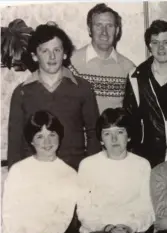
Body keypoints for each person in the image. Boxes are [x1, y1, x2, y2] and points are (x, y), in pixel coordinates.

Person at [76, 108, 155, 233]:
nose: (114, 139)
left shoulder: (142, 165)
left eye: (120, 132)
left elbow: (147, 210)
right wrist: (107, 228)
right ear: (101, 139)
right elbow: (84, 211)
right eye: (107, 133)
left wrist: (128, 227)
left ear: (129, 136)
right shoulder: (88, 165)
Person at [8, 23, 100, 170]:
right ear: (34, 56)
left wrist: (90, 169)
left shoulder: (83, 88)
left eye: (57, 50)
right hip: (33, 172)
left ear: (65, 54)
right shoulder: (21, 92)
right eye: (45, 51)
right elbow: (14, 141)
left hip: (73, 170)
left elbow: (94, 133)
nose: (52, 56)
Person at [2, 110, 79, 233]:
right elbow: (9, 212)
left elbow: (62, 218)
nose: (47, 142)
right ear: (31, 140)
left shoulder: (69, 174)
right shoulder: (18, 170)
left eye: (52, 134)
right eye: (39, 136)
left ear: (60, 136)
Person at [123, 19, 167, 167]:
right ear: (149, 46)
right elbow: (130, 122)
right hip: (146, 159)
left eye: (166, 42)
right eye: (155, 42)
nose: (160, 48)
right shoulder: (136, 76)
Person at [70, 3, 136, 113]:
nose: (104, 32)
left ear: (117, 30)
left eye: (109, 26)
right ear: (89, 29)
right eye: (98, 25)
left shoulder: (129, 69)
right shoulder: (70, 63)